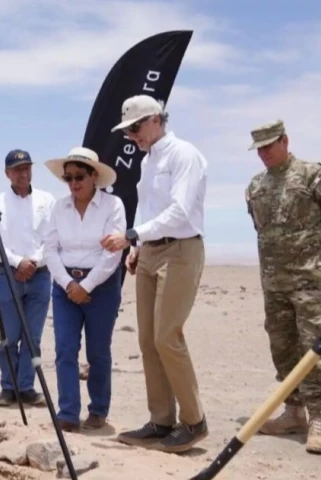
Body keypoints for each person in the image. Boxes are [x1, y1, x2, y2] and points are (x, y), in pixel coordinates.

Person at [103, 95, 209, 453]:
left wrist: (132, 235)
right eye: (127, 131)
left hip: (180, 250)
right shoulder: (148, 162)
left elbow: (180, 211)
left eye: (134, 128)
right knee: (147, 340)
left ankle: (193, 422)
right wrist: (136, 247)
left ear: (154, 120)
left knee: (167, 336)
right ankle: (162, 420)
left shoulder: (184, 155)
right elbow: (147, 208)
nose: (132, 136)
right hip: (149, 252)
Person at [244, 120, 321, 455]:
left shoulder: (311, 175)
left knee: (314, 346)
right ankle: (293, 411)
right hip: (274, 282)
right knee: (282, 344)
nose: (264, 153)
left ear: (285, 141)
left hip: (309, 279)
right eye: (259, 148)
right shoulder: (256, 185)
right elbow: (262, 231)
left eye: (269, 146)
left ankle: (319, 416)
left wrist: (317, 256)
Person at [43, 146, 125, 432]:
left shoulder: (113, 206)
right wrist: (69, 284)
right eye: (68, 178)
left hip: (101, 287)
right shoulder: (58, 207)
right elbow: (50, 249)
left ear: (94, 176)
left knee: (98, 352)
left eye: (79, 176)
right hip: (65, 285)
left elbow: (113, 254)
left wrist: (86, 286)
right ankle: (67, 413)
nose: (74, 183)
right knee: (65, 349)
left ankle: (98, 410)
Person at [0, 149, 55, 407]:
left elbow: (52, 237)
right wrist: (17, 262)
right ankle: (8, 386)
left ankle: (26, 386)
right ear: (7, 173)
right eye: (17, 169)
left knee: (32, 336)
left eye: (27, 167)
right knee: (9, 336)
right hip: (9, 275)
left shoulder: (47, 200)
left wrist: (33, 261)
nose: (23, 173)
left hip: (40, 276)